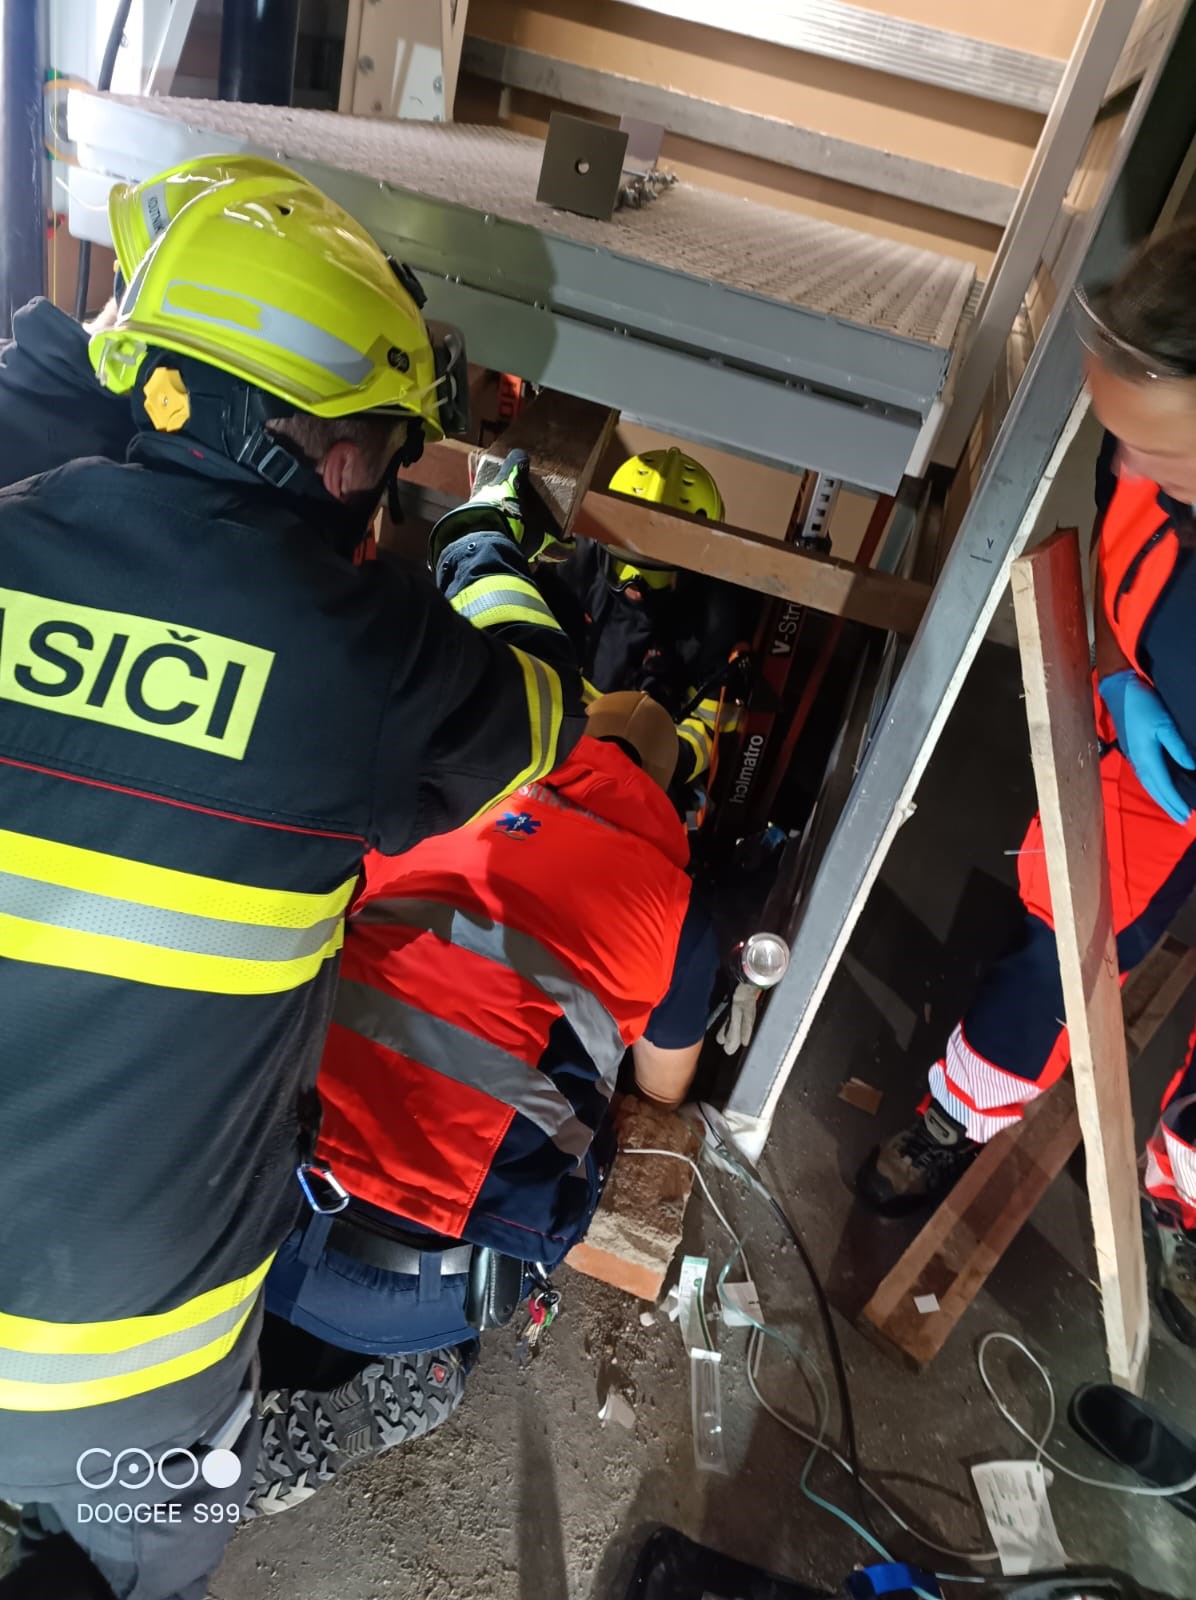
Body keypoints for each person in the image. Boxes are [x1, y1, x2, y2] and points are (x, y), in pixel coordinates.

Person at [0, 157, 584, 1600]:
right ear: (323, 456)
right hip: (115, 1383)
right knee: (148, 1559)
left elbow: (38, 381)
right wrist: (485, 543)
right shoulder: (358, 660)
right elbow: (541, 716)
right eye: (375, 450)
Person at [247, 688, 717, 1513]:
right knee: (578, 1122)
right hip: (428, 1285)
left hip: (263, 1190)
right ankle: (430, 1364)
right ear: (668, 791)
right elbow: (660, 1088)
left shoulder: (441, 788)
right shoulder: (680, 906)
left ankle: (206, 1396)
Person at [856, 222, 1196, 1346]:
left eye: (1160, 453)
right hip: (1161, 739)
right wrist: (1115, 674)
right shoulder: (1148, 441)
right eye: (1121, 440)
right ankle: (960, 1112)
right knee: (1067, 941)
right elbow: (1119, 538)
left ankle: (1182, 1194)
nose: (1132, 467)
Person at [546, 447, 755, 790]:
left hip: (644, 772)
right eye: (624, 565)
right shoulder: (572, 564)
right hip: (554, 743)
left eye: (656, 573)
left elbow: (712, 724)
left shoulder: (714, 614)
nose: (636, 586)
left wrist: (663, 760)